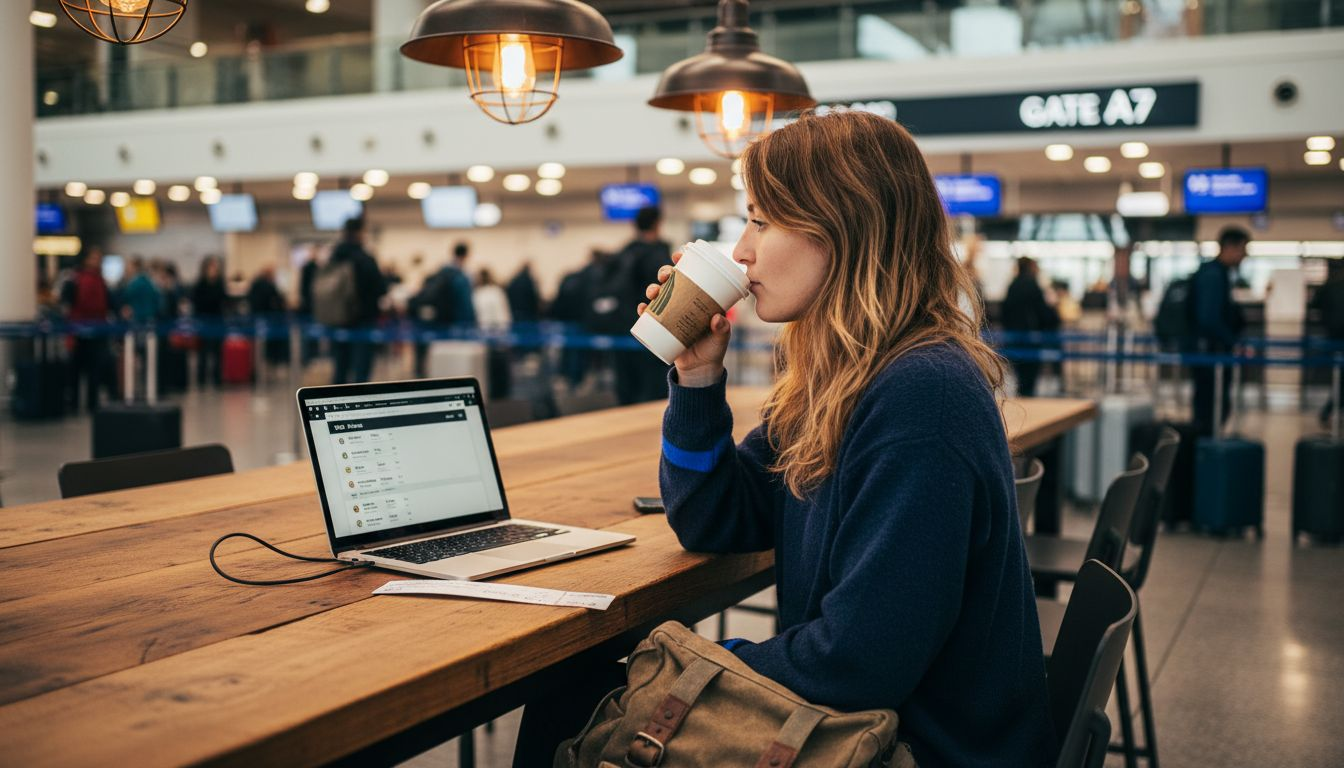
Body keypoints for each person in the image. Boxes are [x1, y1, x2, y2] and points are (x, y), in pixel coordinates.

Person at [511, 111, 1056, 768]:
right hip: (856, 720)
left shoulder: (922, 394)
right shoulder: (843, 378)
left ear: (843, 228)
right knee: (577, 692)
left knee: (572, 699)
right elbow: (715, 519)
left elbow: (857, 663)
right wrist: (697, 377)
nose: (741, 251)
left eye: (762, 222)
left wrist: (689, 662)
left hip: (911, 746)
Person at [603, 205, 675, 404]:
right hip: (653, 332)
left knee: (627, 390)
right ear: (657, 223)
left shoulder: (624, 253)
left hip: (624, 332)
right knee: (655, 392)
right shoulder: (659, 254)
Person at [1188, 226, 1249, 437]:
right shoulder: (1213, 275)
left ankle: (1206, 443)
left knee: (1211, 404)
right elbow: (1208, 318)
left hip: (1209, 350)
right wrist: (1232, 341)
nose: (1244, 255)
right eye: (1243, 249)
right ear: (1229, 247)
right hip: (1210, 351)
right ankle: (1206, 447)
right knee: (1211, 405)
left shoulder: (1216, 273)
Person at [319, 217, 387, 384]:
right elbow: (380, 288)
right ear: (360, 233)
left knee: (340, 368)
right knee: (361, 371)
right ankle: (359, 400)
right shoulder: (365, 258)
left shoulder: (334, 257)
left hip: (337, 319)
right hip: (363, 320)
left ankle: (338, 399)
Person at [61, 248, 113, 412]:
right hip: (79, 332)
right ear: (86, 260)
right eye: (94, 258)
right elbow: (67, 303)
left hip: (97, 332)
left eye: (99, 258)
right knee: (75, 370)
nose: (97, 261)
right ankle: (73, 404)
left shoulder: (101, 281)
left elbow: (108, 304)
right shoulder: (75, 279)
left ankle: (92, 403)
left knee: (94, 371)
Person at [1001, 256, 1060, 396]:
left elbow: (1005, 312)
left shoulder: (1012, 285)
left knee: (1020, 375)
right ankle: (1028, 398)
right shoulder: (1032, 285)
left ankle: (1023, 398)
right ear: (1030, 267)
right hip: (1031, 337)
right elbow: (1042, 312)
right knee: (1030, 377)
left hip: (1014, 338)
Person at [1309, 259, 1344, 427]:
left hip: (1333, 338)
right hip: (1336, 341)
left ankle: (1328, 411)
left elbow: (1314, 305)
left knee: (1340, 378)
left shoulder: (1327, 287)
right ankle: (1329, 410)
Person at [192, 255, 229, 387]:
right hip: (204, 322)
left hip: (218, 322)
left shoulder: (220, 284)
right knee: (203, 353)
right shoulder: (200, 285)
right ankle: (201, 379)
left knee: (217, 353)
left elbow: (224, 301)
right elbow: (197, 302)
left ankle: (217, 379)